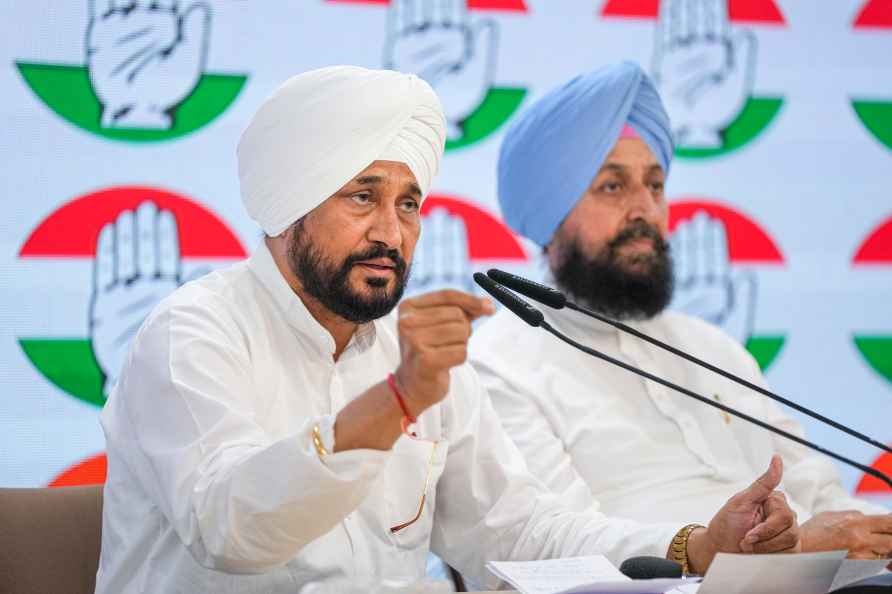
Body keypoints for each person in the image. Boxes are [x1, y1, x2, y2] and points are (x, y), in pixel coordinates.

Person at [95, 65, 801, 594]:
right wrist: (395, 402)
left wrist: (696, 545)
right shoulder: (192, 335)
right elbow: (232, 527)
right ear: (287, 209)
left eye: (408, 204)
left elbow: (523, 531)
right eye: (362, 196)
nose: (390, 233)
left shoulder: (417, 358)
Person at [470, 61, 891, 565]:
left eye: (655, 184)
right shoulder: (497, 364)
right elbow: (551, 547)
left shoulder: (712, 346)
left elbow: (821, 496)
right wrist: (758, 549)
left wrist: (868, 536)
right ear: (550, 213)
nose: (644, 209)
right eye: (612, 186)